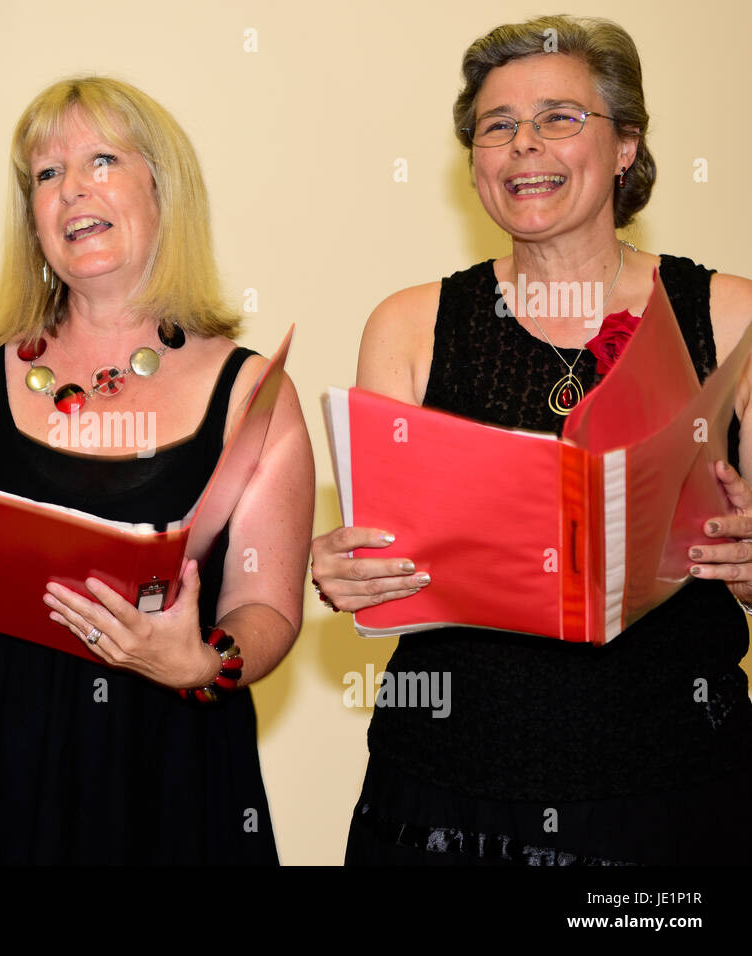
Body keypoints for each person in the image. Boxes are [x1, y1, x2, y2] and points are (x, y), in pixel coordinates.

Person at [312, 15, 752, 865]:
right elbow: (385, 576)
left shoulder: (732, 314)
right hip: (444, 794)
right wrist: (349, 573)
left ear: (625, 145)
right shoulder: (408, 324)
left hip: (675, 795)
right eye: (497, 126)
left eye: (558, 117)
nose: (524, 146)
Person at [0, 76, 314, 864]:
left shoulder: (250, 391)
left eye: (101, 160)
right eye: (46, 174)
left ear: (160, 188)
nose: (72, 189)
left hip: (169, 760)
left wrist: (204, 664)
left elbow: (268, 608)